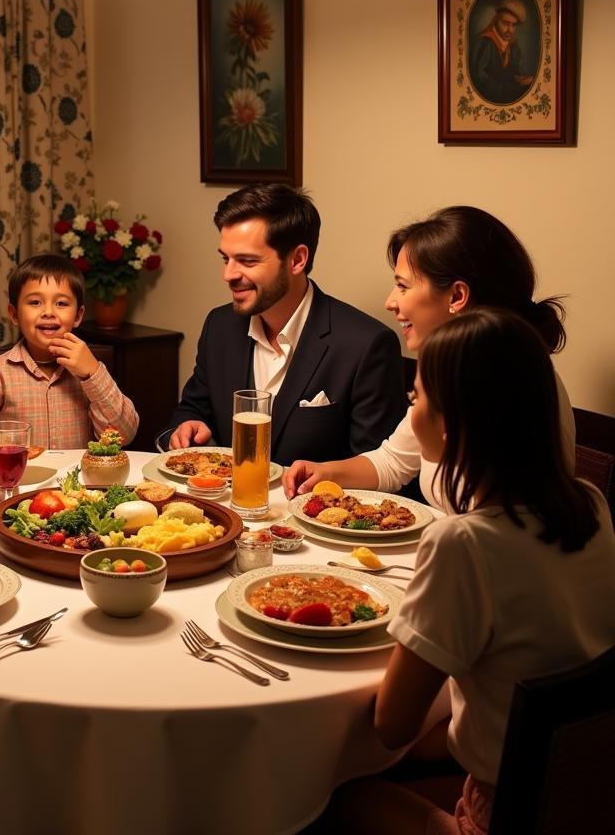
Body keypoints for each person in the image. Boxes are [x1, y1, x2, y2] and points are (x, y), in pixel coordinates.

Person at [324, 308, 615, 835]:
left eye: (416, 397)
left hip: (501, 812)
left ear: (454, 418)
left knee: (333, 795)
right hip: (588, 791)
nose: (411, 409)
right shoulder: (591, 503)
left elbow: (392, 726)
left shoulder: (464, 543)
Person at [283, 206, 576, 507]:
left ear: (457, 297)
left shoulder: (504, 382)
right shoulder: (453, 368)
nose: (390, 302)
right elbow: (394, 461)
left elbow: (509, 526)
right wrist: (324, 472)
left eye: (402, 286)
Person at [165, 183, 407, 464]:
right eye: (226, 258)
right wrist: (189, 425)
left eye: (247, 260)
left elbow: (381, 471)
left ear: (297, 260)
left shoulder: (365, 345)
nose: (228, 274)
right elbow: (193, 408)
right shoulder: (219, 326)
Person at [0, 253, 138, 458]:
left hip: (81, 486)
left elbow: (124, 434)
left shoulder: (92, 371)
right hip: (20, 484)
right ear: (14, 314)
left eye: (61, 303)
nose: (48, 312)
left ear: (78, 316)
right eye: (35, 302)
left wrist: (92, 374)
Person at [469, 0, 535, 105]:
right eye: (505, 23)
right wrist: (511, 87)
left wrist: (519, 79)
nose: (510, 30)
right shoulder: (485, 43)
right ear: (495, 20)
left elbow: (515, 70)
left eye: (513, 25)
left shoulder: (513, 46)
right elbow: (479, 79)